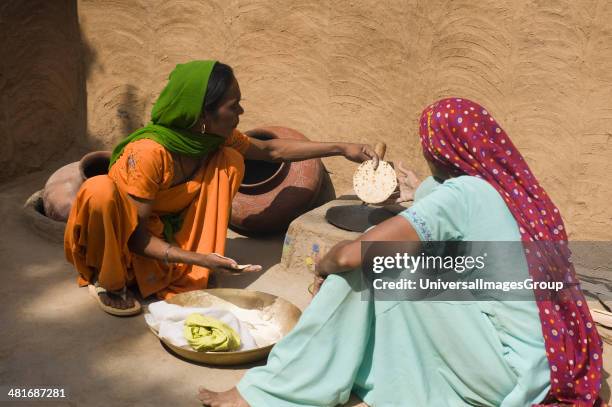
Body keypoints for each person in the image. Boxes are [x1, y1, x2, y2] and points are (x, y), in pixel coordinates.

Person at [198, 98, 604, 406]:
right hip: (547, 363)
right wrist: (416, 193)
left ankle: (270, 391)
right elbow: (448, 206)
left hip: (504, 372)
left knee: (368, 267)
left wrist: (325, 263)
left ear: (440, 150)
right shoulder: (510, 189)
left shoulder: (461, 195)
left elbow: (359, 253)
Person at [64, 60, 380, 316]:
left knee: (229, 160)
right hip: (123, 240)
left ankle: (184, 268)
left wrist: (342, 147)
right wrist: (197, 259)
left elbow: (272, 151)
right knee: (100, 191)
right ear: (203, 115)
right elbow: (134, 235)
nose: (240, 114)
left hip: (161, 235)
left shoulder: (212, 139)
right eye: (234, 106)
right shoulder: (150, 153)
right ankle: (110, 280)